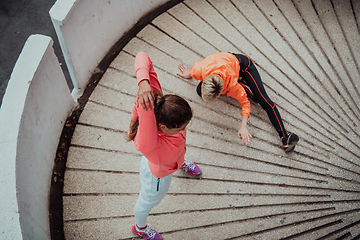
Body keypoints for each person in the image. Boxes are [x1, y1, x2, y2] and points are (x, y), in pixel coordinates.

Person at [127, 51, 202, 240]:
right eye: (182, 127)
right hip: (157, 176)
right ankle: (140, 228)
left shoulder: (159, 102)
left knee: (180, 151)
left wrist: (143, 82)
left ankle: (181, 163)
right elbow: (144, 120)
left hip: (172, 158)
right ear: (162, 127)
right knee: (148, 201)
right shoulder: (149, 143)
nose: (185, 129)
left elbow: (142, 55)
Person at [178, 52, 299, 152]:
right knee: (199, 92)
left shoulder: (232, 86)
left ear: (221, 91)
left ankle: (284, 136)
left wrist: (243, 126)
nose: (216, 99)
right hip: (225, 66)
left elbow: (245, 104)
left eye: (217, 96)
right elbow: (193, 72)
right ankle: (247, 86)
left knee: (263, 100)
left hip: (243, 66)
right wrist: (189, 74)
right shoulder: (198, 70)